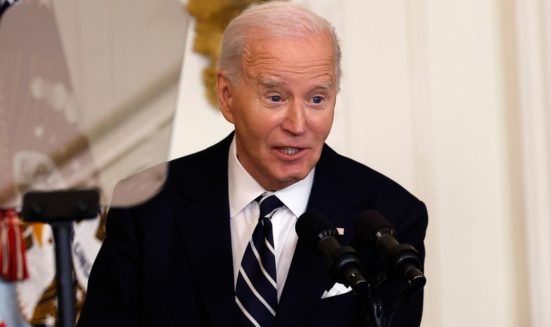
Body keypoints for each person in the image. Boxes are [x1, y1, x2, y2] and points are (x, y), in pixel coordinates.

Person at [78, 2, 428, 327]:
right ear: (227, 97)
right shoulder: (148, 205)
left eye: (317, 99)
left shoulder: (390, 215)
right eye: (275, 97)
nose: (297, 124)